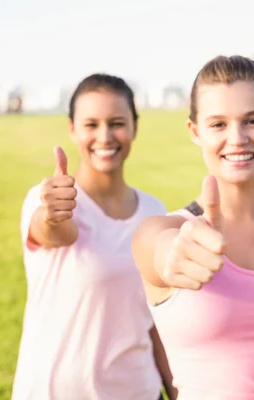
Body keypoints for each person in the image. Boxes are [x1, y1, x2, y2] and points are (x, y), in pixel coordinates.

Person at [132, 55, 254, 400]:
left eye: (252, 121)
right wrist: (172, 255)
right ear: (195, 132)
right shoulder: (168, 230)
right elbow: (154, 248)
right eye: (218, 124)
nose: (237, 138)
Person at [13, 74, 175, 400]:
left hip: (138, 392)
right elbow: (54, 231)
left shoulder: (155, 213)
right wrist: (52, 215)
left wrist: (176, 391)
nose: (105, 136)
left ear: (134, 127)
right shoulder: (46, 201)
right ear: (72, 129)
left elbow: (158, 321)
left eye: (116, 123)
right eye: (91, 124)